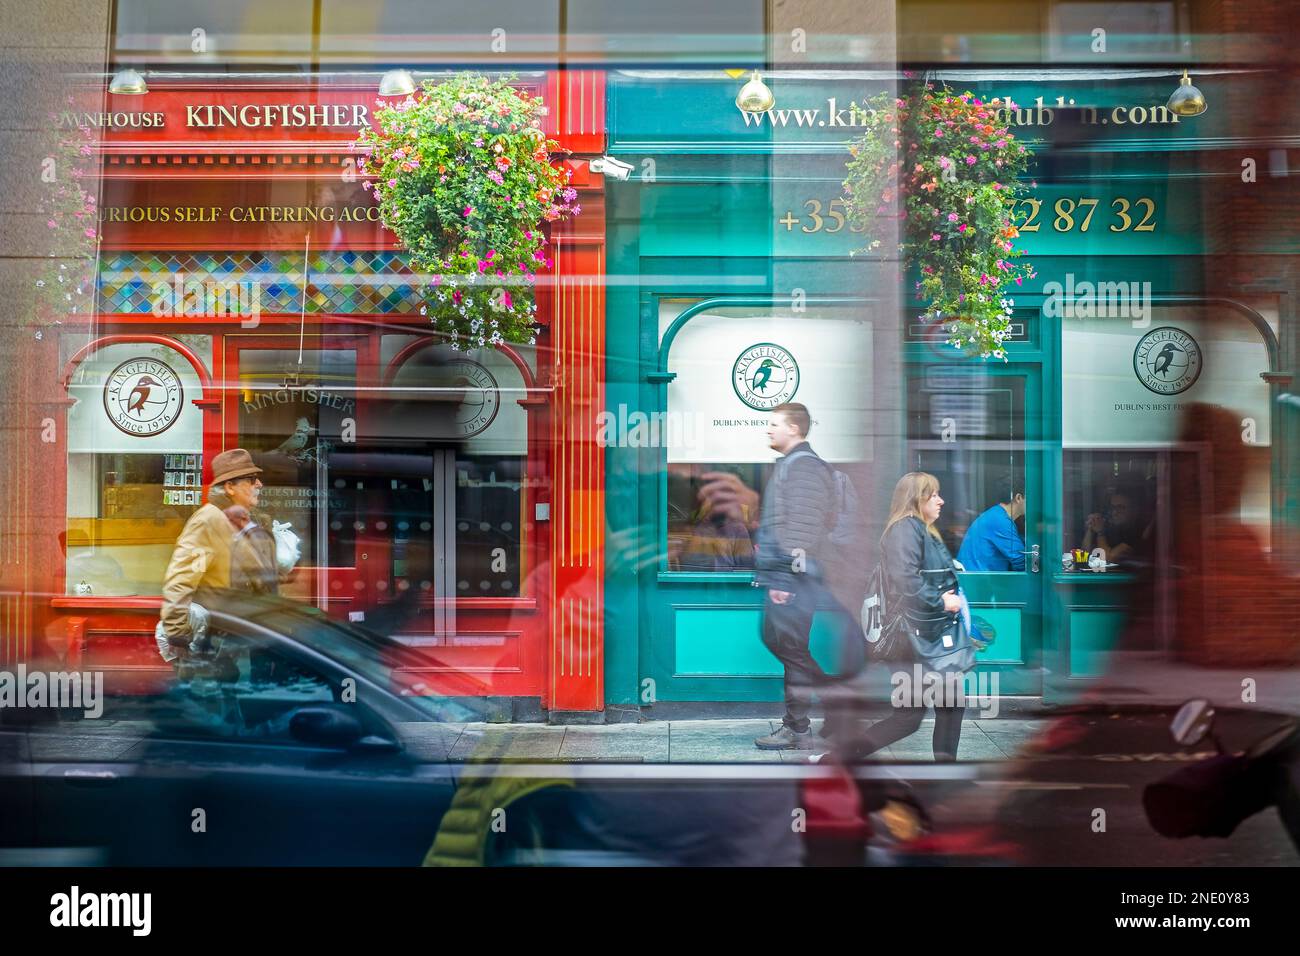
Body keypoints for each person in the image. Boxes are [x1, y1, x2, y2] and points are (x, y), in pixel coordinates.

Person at [850, 472, 966, 762]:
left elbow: (914, 570)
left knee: (948, 705)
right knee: (909, 716)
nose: (941, 501)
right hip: (910, 639)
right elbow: (905, 580)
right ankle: (838, 760)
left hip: (924, 635)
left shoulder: (918, 529)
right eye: (933, 495)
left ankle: (947, 775)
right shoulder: (905, 529)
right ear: (916, 499)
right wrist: (941, 600)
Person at [752, 403, 838, 751]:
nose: (768, 429)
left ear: (795, 429)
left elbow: (803, 528)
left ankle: (797, 727)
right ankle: (834, 701)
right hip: (792, 576)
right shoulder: (794, 465)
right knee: (782, 643)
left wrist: (785, 580)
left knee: (789, 647)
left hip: (796, 579)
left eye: (774, 424)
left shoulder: (803, 468)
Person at [156, 448, 263, 667]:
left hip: (230, 641)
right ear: (230, 487)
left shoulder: (235, 520)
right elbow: (181, 580)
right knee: (207, 698)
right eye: (251, 480)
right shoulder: (209, 521)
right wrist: (178, 635)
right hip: (211, 647)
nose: (259, 484)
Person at [956, 476, 1026, 572]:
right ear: (1018, 498)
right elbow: (1021, 561)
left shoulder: (996, 514)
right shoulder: (1000, 521)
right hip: (980, 582)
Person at [1081, 488, 1151, 563]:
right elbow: (1083, 553)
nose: (1114, 512)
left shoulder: (1137, 530)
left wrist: (1100, 532)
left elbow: (1108, 558)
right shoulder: (1111, 526)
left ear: (1134, 510)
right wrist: (1092, 527)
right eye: (1113, 507)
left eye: (1120, 508)